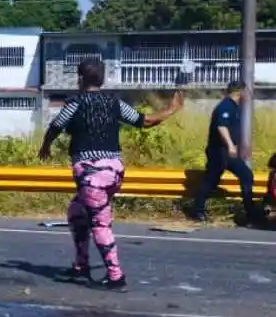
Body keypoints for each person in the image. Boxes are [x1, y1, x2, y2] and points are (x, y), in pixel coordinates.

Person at [37, 59, 183, 290]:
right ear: (102, 80)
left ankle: (116, 276)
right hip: (113, 171)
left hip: (91, 175)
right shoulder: (114, 103)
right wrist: (171, 109)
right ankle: (81, 265)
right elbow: (144, 121)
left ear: (80, 79)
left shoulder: (75, 104)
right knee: (77, 212)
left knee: (99, 224)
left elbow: (56, 126)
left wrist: (45, 147)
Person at [188, 81, 260, 224]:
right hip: (219, 151)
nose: (247, 95)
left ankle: (250, 212)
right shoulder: (225, 106)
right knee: (211, 181)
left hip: (225, 152)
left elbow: (232, 129)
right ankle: (197, 210)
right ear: (240, 92)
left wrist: (239, 146)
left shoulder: (234, 107)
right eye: (246, 92)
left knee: (246, 175)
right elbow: (222, 127)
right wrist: (230, 146)